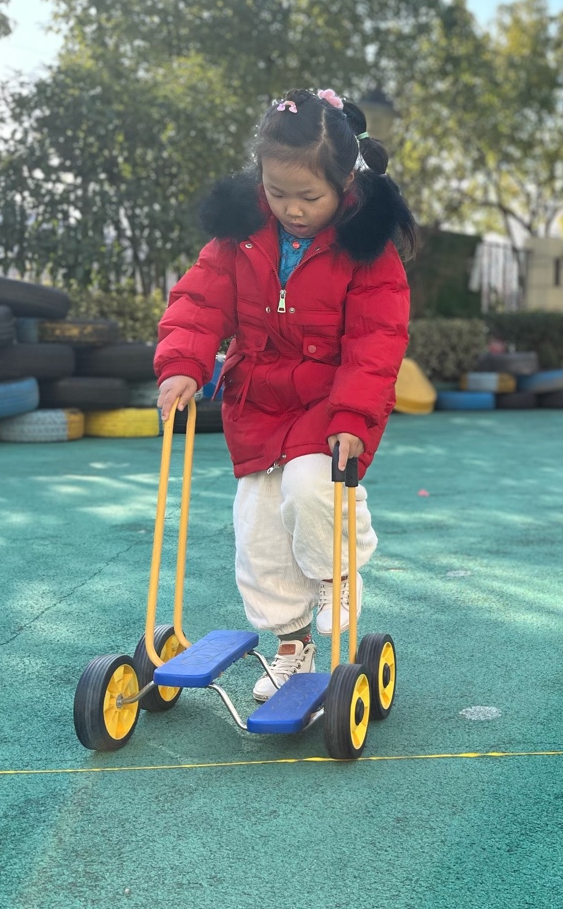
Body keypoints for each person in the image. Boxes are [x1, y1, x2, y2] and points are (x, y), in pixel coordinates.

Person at [154, 87, 418, 700]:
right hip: (258, 399)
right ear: (261, 178)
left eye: (309, 197)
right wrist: (184, 363)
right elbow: (200, 301)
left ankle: (338, 572)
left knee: (310, 486)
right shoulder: (241, 234)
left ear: (345, 183)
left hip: (329, 402)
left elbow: (376, 341)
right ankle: (292, 647)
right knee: (259, 528)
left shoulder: (366, 250)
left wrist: (353, 415)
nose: (292, 210)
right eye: (278, 193)